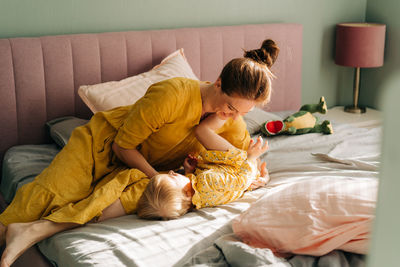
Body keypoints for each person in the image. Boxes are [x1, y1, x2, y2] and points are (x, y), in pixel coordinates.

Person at [0, 38, 279, 267]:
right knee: (48, 195)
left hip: (141, 168)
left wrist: (256, 176)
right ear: (218, 82)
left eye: (240, 113)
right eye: (230, 107)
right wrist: (155, 175)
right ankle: (14, 228)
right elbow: (123, 146)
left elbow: (244, 163)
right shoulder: (173, 94)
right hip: (104, 146)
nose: (229, 116)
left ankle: (33, 231)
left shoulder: (230, 122)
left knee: (154, 197)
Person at [136, 113, 270, 220]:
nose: (171, 172)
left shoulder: (196, 200)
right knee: (202, 131)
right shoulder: (206, 182)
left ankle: (263, 177)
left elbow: (195, 189)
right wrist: (251, 158)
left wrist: (189, 171)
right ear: (187, 193)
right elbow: (241, 181)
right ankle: (227, 113)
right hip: (238, 167)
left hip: (236, 173)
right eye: (173, 177)